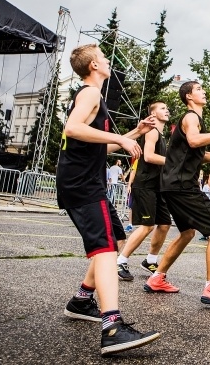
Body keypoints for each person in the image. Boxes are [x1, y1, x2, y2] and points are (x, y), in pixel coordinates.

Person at [57, 44, 160, 356]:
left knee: (112, 240)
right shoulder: (89, 93)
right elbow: (72, 128)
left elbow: (96, 148)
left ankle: (81, 300)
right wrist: (119, 137)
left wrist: (133, 132)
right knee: (104, 249)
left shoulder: (94, 97)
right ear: (92, 66)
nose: (107, 61)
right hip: (82, 184)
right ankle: (112, 328)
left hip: (85, 183)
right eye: (103, 57)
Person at [146, 80, 210, 305]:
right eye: (199, 89)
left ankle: (157, 278)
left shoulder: (195, 121)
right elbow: (194, 140)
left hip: (173, 185)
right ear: (189, 97)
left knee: (188, 232)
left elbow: (199, 153)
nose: (204, 91)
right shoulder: (191, 117)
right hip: (182, 186)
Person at [116, 102, 173, 285]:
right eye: (163, 108)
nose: (167, 110)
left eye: (167, 108)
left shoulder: (161, 134)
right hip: (146, 184)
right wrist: (174, 163)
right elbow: (148, 156)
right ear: (153, 113)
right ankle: (121, 261)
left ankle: (150, 260)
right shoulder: (152, 131)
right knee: (147, 226)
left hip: (158, 187)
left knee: (164, 224)